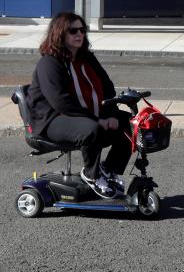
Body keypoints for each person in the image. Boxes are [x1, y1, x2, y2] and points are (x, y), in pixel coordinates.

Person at [25, 12, 132, 199]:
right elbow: (62, 102)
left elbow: (108, 89)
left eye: (82, 30)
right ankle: (91, 175)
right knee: (91, 128)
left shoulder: (87, 59)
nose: (79, 34)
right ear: (59, 34)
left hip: (87, 114)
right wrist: (99, 120)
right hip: (52, 120)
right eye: (73, 30)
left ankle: (108, 170)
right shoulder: (49, 63)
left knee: (131, 124)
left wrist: (110, 114)